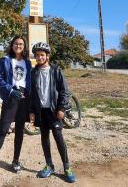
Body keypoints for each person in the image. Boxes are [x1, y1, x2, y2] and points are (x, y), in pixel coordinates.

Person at [0, 36, 32, 176]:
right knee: (3, 130)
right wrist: (10, 90)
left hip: (24, 99)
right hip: (11, 97)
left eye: (21, 44)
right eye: (16, 43)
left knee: (20, 131)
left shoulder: (27, 63)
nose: (18, 46)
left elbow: (29, 81)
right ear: (12, 45)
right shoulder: (5, 60)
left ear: (24, 46)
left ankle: (15, 161)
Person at [28, 42, 76, 183]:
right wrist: (31, 111)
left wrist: (61, 108)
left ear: (47, 56)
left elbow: (64, 91)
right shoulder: (33, 72)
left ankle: (67, 166)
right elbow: (31, 94)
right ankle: (49, 165)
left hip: (53, 111)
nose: (39, 57)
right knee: (44, 138)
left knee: (58, 137)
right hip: (40, 111)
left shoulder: (56, 71)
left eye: (42, 55)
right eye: (37, 55)